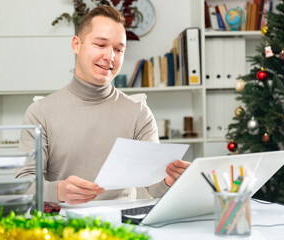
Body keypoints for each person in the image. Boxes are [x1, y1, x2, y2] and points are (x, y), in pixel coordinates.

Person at [16, 6, 190, 205]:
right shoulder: (40, 112)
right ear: (76, 44)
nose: (110, 57)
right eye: (100, 45)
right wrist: (58, 190)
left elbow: (154, 187)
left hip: (123, 227)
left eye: (118, 49)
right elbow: (24, 184)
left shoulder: (139, 113)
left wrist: (169, 179)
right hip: (63, 225)